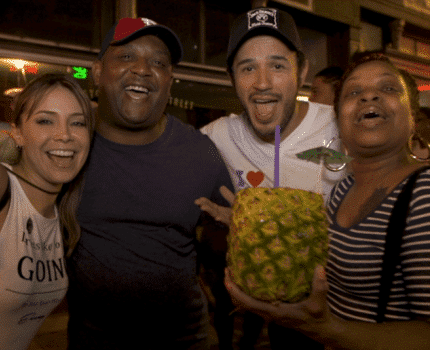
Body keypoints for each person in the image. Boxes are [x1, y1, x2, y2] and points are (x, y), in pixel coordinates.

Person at [224, 53, 430, 350]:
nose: (369, 95)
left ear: (412, 116)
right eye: (354, 92)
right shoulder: (344, 187)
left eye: (388, 88)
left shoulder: (422, 193)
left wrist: (327, 330)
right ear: (340, 120)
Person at [65, 17, 234, 350]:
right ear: (98, 72)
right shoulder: (68, 146)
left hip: (184, 340)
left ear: (169, 83)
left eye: (158, 62)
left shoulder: (199, 151)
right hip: (92, 341)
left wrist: (242, 231)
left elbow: (223, 242)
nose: (142, 69)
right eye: (127, 57)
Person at [195, 7, 345, 350]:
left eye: (278, 65)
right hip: (259, 312)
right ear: (232, 77)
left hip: (343, 317)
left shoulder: (341, 127)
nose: (262, 82)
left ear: (302, 70)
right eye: (248, 68)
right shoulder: (218, 136)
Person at [0, 73, 94, 350]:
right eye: (45, 120)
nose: (64, 135)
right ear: (17, 131)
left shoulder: (63, 216)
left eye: (77, 122)